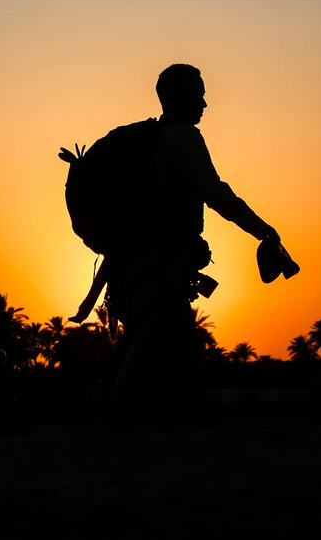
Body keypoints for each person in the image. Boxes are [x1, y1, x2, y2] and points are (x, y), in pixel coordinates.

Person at [107, 63, 288, 426]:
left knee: (170, 335)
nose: (205, 102)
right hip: (163, 253)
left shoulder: (156, 138)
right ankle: (121, 416)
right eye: (199, 93)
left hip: (145, 253)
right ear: (180, 96)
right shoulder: (182, 138)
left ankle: (189, 413)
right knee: (154, 336)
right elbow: (216, 193)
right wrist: (262, 229)